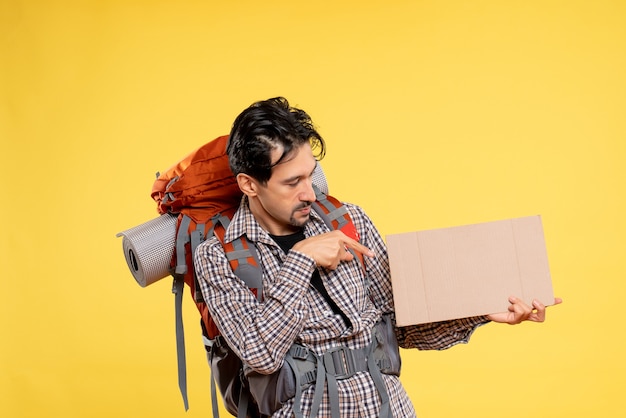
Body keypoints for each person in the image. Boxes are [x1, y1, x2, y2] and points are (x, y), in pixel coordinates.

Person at [194, 97, 561, 418]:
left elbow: (401, 325)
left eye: (311, 175)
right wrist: (301, 261)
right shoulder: (218, 257)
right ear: (249, 184)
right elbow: (260, 355)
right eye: (292, 182)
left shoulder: (348, 221)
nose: (310, 193)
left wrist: (482, 310)